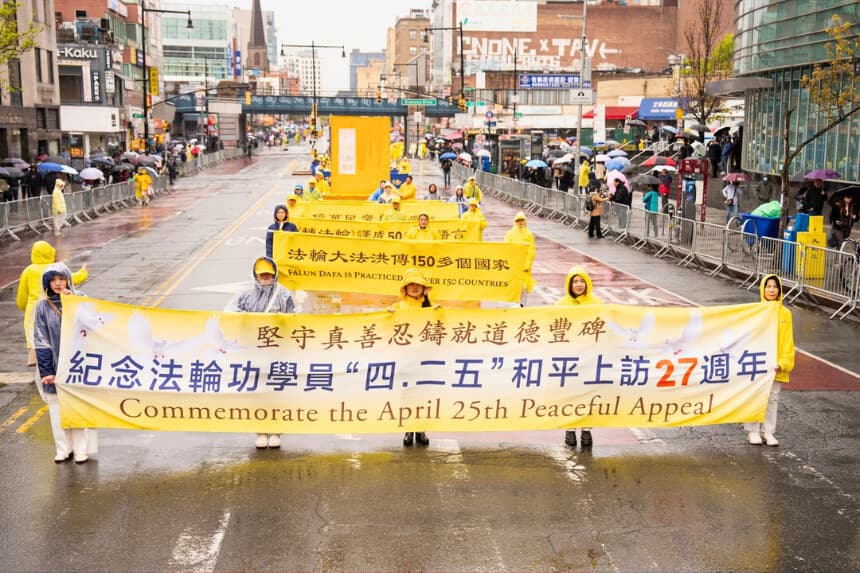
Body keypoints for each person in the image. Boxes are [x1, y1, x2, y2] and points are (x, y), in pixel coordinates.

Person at [33, 263, 95, 463]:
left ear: (68, 280)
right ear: (47, 283)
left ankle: (81, 449)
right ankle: (63, 448)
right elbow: (40, 339)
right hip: (54, 365)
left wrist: (72, 302)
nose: (58, 283)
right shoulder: (42, 307)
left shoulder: (80, 299)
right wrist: (46, 371)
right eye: (53, 280)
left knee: (77, 406)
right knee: (56, 408)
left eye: (61, 279)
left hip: (78, 364)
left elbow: (93, 325)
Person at [234, 257, 296, 449]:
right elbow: (234, 319)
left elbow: (294, 319)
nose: (266, 278)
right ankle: (260, 431)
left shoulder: (283, 294)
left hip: (277, 352)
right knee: (258, 393)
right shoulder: (245, 295)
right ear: (256, 275)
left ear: (274, 274)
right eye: (262, 275)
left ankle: (276, 431)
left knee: (276, 392)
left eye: (269, 274)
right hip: (254, 353)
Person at [17, 241, 87, 366]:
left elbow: (22, 296)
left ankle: (39, 366)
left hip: (33, 311)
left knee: (37, 339)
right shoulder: (56, 268)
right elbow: (72, 278)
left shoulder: (28, 271)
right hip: (53, 307)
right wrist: (83, 272)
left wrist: (24, 307)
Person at [388, 268, 437, 446]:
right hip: (406, 360)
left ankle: (420, 430)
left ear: (423, 287)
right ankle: (409, 430)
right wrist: (388, 315)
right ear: (405, 288)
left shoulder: (432, 307)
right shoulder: (397, 308)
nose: (415, 287)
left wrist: (438, 314)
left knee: (423, 394)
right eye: (411, 284)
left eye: (418, 284)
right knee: (408, 394)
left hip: (425, 359)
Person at [555, 266, 602, 448]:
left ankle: (586, 430)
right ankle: (570, 429)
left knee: (588, 394)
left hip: (590, 356)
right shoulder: (560, 305)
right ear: (570, 284)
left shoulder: (597, 304)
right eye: (575, 281)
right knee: (569, 394)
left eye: (582, 281)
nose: (579, 285)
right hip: (569, 358)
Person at [744, 274, 794, 446]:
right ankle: (753, 431)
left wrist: (783, 362)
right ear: (763, 289)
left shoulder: (785, 314)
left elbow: (788, 340)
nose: (772, 290)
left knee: (772, 398)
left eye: (775, 286)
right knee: (755, 396)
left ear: (780, 290)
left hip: (776, 364)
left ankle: (768, 432)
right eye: (768, 286)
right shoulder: (756, 312)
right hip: (758, 362)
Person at [503, 212, 536, 306]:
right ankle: (514, 304)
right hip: (514, 265)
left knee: (524, 286)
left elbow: (531, 251)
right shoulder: (510, 233)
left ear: (525, 221)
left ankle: (523, 305)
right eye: (518, 220)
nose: (520, 222)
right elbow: (505, 248)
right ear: (515, 222)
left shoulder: (529, 234)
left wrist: (527, 265)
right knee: (513, 285)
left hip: (524, 266)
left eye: (521, 220)